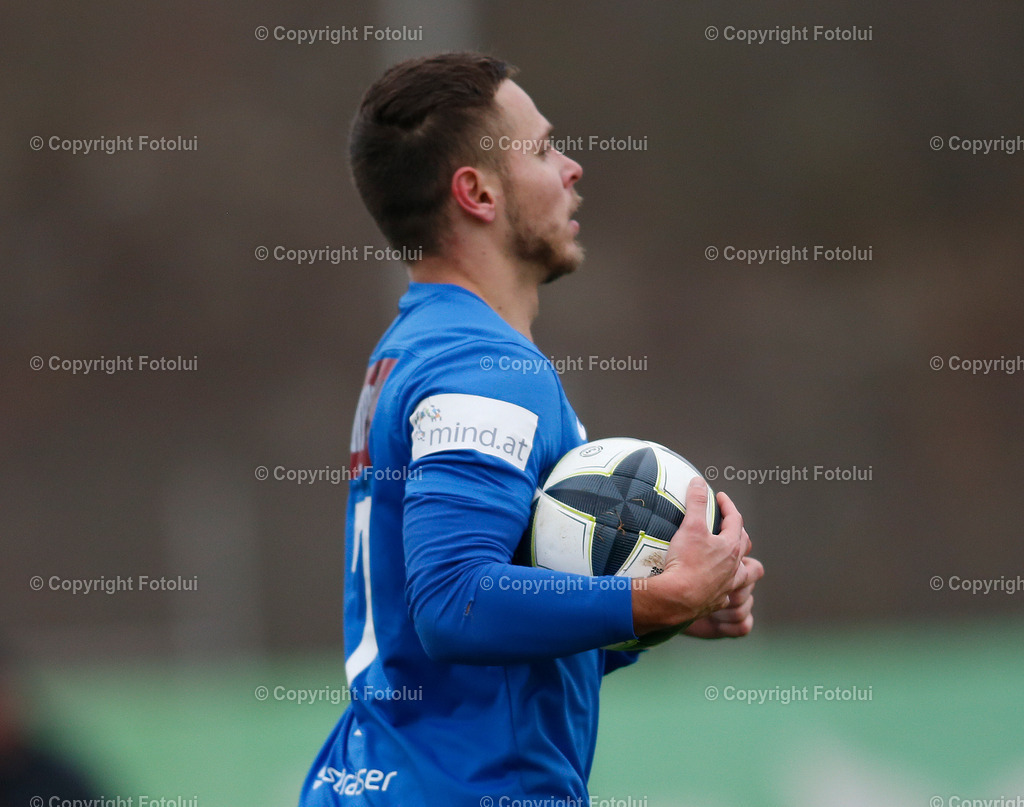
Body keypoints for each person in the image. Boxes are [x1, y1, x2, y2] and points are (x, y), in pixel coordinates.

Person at [299, 52, 764, 806]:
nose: (572, 168)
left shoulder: (419, 347)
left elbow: (478, 640)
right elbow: (456, 602)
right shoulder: (479, 366)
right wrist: (652, 599)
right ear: (476, 192)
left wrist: (658, 609)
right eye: (544, 148)